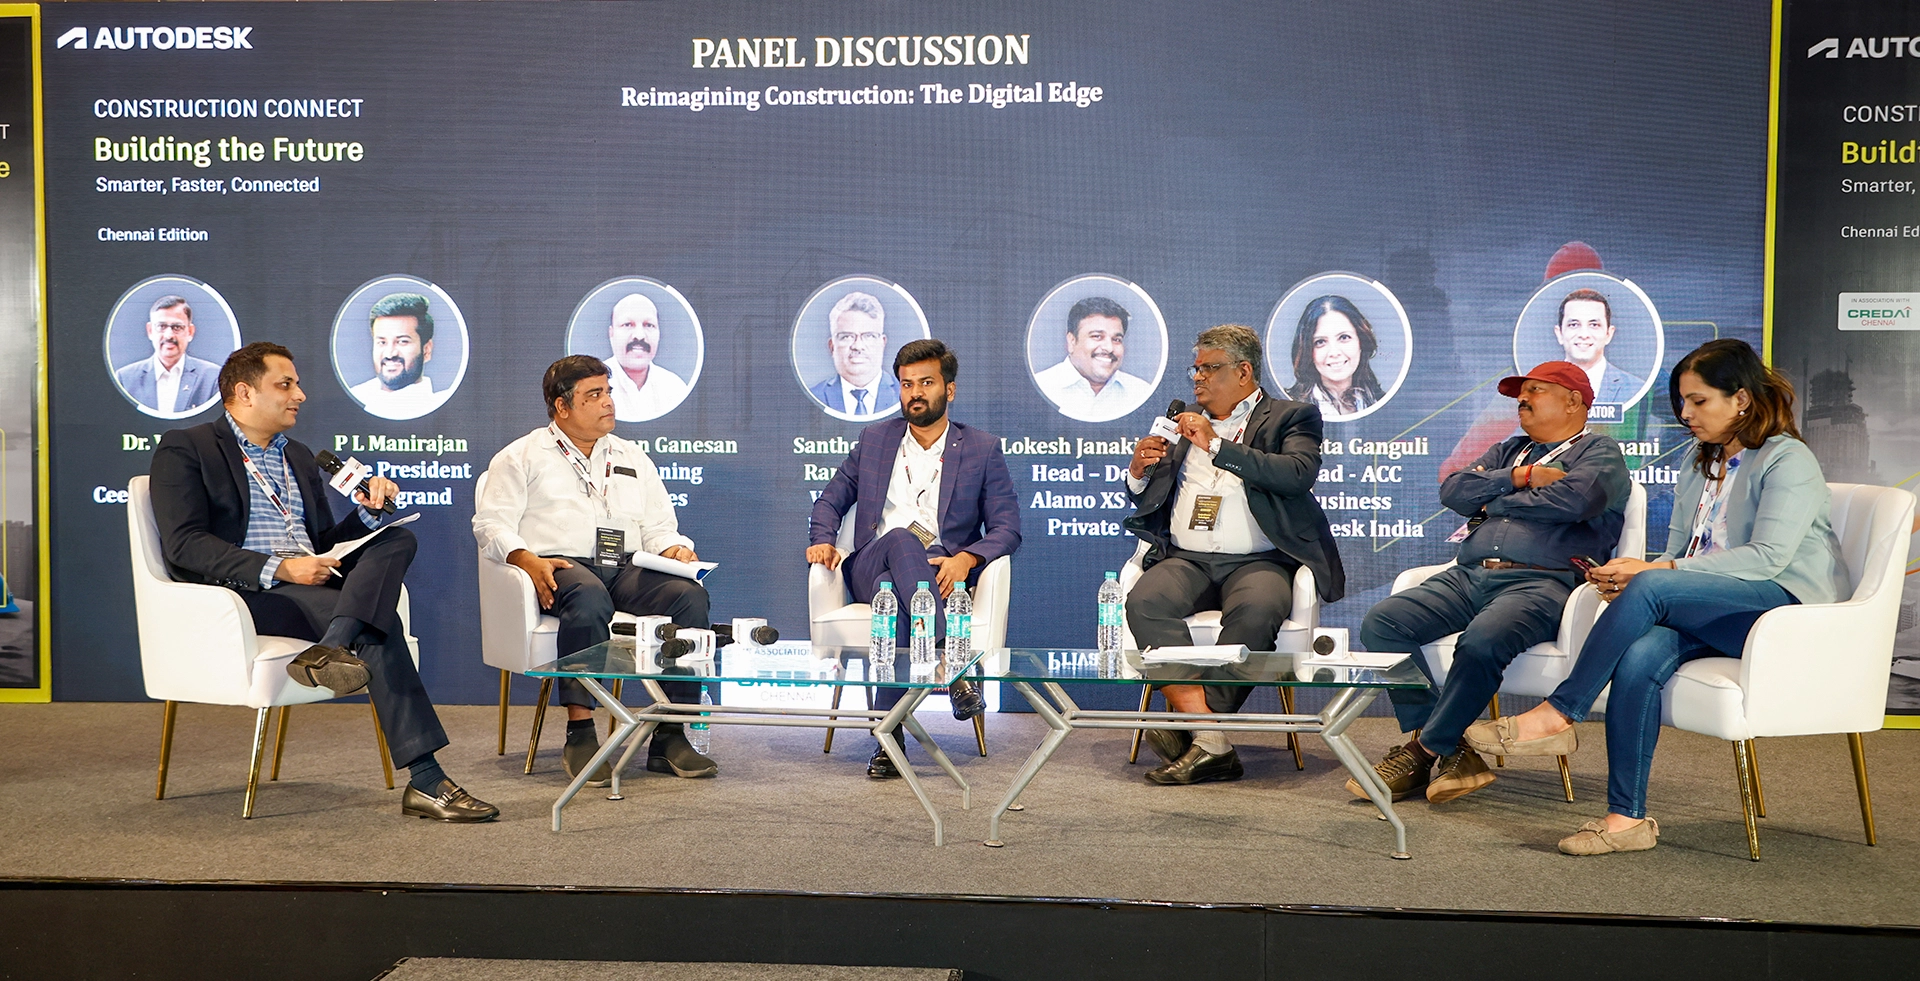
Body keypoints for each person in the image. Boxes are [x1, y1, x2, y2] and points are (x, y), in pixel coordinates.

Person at [1465, 339, 1848, 855]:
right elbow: (1678, 552)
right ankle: (1627, 820)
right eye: (1682, 402)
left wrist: (1653, 573)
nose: (1686, 414)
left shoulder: (1786, 459)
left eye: (1698, 401)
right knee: (1641, 654)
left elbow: (1766, 558)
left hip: (1781, 609)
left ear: (1741, 398)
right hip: (1717, 606)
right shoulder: (1700, 461)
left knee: (1650, 583)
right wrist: (1634, 575)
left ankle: (1560, 712)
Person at [149, 342, 496, 822]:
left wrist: (366, 515)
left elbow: (323, 542)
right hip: (246, 592)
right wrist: (280, 569)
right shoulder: (188, 447)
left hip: (313, 578)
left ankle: (333, 644)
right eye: (286, 385)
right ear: (244, 393)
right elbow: (184, 544)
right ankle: (427, 779)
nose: (300, 395)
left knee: (396, 539)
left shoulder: (298, 456)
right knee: (377, 626)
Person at [1354, 361, 1631, 804]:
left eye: (1536, 390)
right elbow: (1454, 490)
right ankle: (1451, 747)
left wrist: (1495, 501)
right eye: (1522, 393)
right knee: (1383, 623)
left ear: (1573, 401)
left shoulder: (1599, 451)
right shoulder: (1511, 451)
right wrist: (1521, 477)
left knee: (1482, 642)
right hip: (1468, 575)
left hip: (1539, 583)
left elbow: (1574, 500)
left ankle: (1422, 751)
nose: (1522, 399)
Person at [473, 355, 717, 787]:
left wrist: (674, 548)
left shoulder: (631, 456)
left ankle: (671, 733)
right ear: (562, 406)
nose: (608, 402)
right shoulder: (521, 456)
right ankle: (581, 731)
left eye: (608, 391)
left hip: (625, 565)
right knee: (588, 597)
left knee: (687, 595)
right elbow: (490, 524)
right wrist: (526, 559)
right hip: (559, 565)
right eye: (595, 394)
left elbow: (658, 526)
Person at [1124, 324, 1346, 784]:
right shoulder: (1181, 421)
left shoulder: (1291, 416)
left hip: (1259, 560)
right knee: (1145, 601)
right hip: (1187, 559)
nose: (1198, 378)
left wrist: (1216, 444)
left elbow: (1296, 474)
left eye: (1209, 368)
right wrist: (1137, 472)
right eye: (1195, 369)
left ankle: (1193, 729)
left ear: (1244, 372)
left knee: (1258, 611)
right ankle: (1209, 736)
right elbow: (1151, 495)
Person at [807, 338, 1021, 778]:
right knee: (902, 539)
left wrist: (967, 559)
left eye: (926, 383)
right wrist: (823, 539)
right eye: (907, 385)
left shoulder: (981, 448)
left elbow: (1007, 528)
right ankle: (951, 663)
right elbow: (830, 500)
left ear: (950, 389)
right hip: (871, 561)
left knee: (895, 601)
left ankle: (889, 740)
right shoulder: (875, 439)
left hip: (937, 572)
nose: (915, 393)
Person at [1033, 296, 1152, 422]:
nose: (1109, 348)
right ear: (1072, 341)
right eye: (1097, 336)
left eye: (1116, 340)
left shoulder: (1141, 392)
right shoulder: (1042, 387)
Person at [348, 293, 454, 420]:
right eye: (382, 342)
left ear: (426, 350)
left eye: (402, 341)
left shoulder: (445, 406)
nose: (390, 354)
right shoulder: (353, 396)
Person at [116, 294, 222, 415]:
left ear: (190, 332)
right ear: (150, 331)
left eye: (177, 327)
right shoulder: (125, 379)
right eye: (161, 326)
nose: (169, 335)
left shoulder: (212, 378)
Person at [1284, 295, 1385, 421]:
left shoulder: (1383, 404)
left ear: (1361, 342)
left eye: (1344, 337)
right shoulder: (1288, 410)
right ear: (1307, 351)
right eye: (1320, 342)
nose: (1334, 352)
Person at [808, 291, 900, 419]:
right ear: (832, 346)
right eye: (847, 336)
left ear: (882, 343)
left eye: (869, 336)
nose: (857, 346)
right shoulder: (814, 397)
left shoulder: (906, 394)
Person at [603, 292, 692, 422]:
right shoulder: (591, 385)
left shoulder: (675, 388)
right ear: (611, 333)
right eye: (627, 325)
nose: (639, 335)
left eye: (649, 325)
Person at [1555, 288, 1644, 406]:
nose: (1584, 335)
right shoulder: (1536, 387)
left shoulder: (1637, 389)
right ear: (1559, 334)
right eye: (1574, 325)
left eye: (1594, 325)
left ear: (1609, 334)